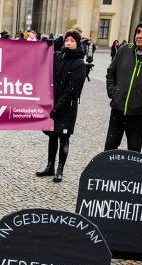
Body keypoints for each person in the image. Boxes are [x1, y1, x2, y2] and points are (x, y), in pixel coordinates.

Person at [104, 21, 142, 153]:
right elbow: (111, 72)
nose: (139, 35)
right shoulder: (124, 50)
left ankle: (130, 174)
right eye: (138, 32)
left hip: (139, 114)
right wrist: (112, 92)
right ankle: (106, 174)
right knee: (109, 149)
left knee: (134, 152)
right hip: (118, 110)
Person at [36, 31, 86, 182]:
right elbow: (43, 58)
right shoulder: (58, 56)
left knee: (64, 138)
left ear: (77, 43)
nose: (68, 42)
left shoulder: (79, 63)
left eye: (72, 40)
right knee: (52, 136)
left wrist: (57, 107)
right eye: (67, 40)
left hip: (66, 107)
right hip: (53, 104)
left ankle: (60, 169)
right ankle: (50, 166)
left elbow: (72, 90)